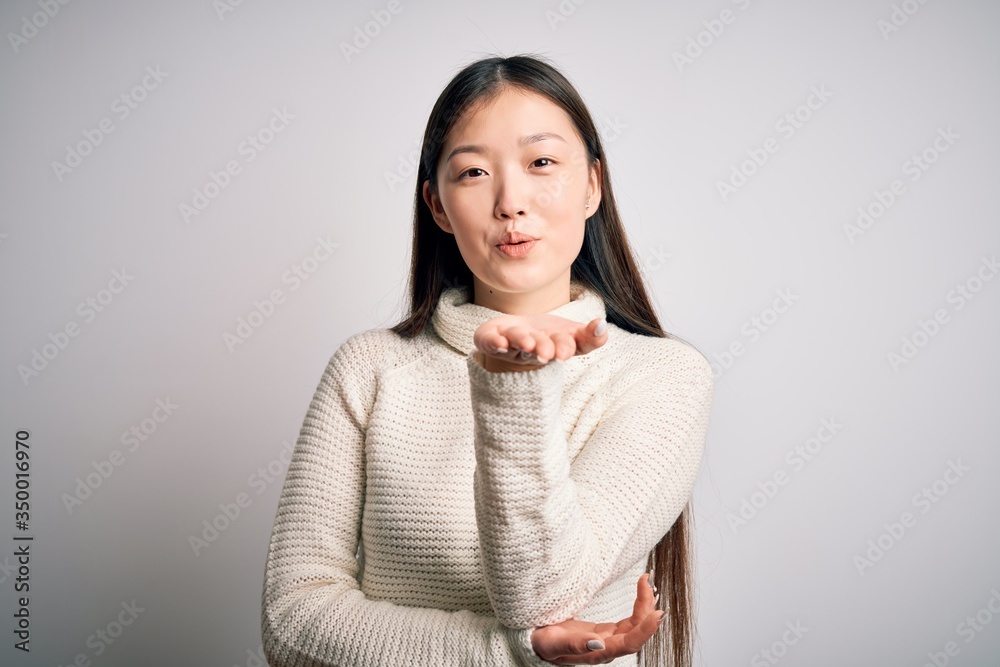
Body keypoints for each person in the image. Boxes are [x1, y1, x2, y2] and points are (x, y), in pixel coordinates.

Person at [260, 53, 714, 667]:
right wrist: (513, 653)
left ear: (592, 186)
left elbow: (542, 596)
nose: (510, 202)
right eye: (473, 172)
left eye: (542, 162)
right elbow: (292, 622)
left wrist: (515, 392)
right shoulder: (368, 368)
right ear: (438, 206)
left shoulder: (663, 377)